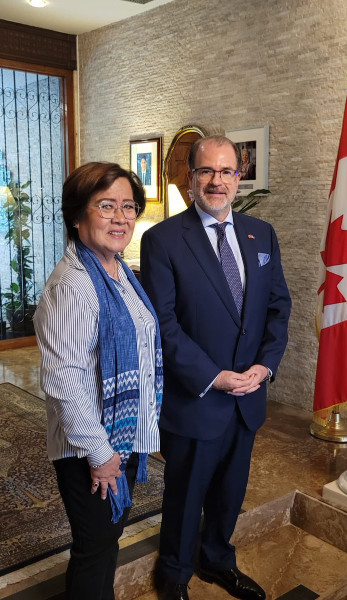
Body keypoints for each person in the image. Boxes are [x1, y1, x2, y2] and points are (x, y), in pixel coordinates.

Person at [140, 135, 291, 600]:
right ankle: (175, 576)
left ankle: (217, 559)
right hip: (198, 397)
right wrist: (213, 376)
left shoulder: (260, 233)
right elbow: (163, 324)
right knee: (185, 498)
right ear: (190, 177)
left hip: (248, 397)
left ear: (239, 177)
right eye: (207, 171)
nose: (217, 181)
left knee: (230, 491)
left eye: (227, 172)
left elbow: (277, 308)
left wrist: (264, 368)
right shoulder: (162, 240)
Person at [34, 162, 163, 600]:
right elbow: (64, 379)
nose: (121, 217)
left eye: (129, 206)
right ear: (77, 214)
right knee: (94, 548)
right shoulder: (73, 285)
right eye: (106, 205)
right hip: (92, 447)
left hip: (115, 440)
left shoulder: (117, 269)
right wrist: (101, 454)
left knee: (106, 541)